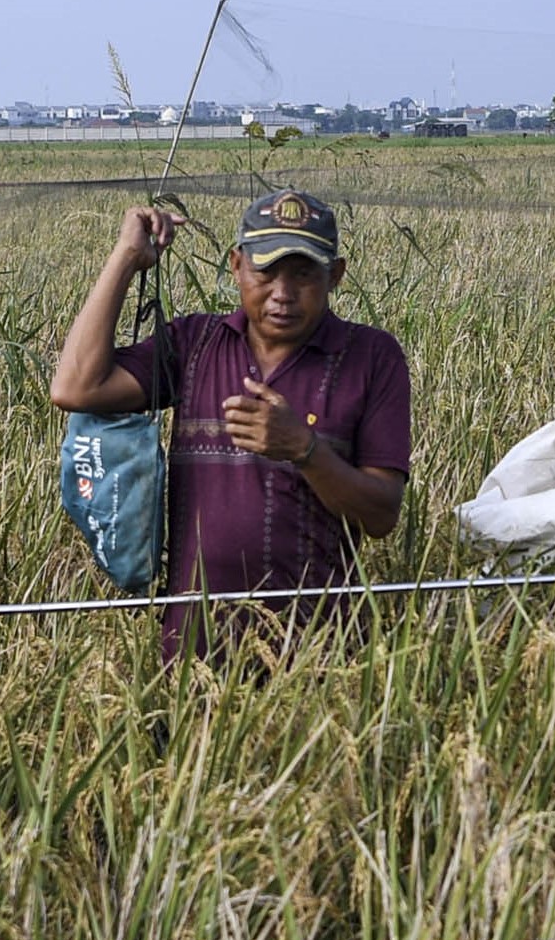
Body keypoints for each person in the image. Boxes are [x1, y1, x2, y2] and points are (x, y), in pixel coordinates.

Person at [49, 191, 411, 644]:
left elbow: (381, 515)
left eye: (303, 275)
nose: (283, 294)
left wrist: (305, 451)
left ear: (335, 276)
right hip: (194, 645)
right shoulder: (195, 344)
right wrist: (125, 258)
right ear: (237, 264)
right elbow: (75, 388)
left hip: (319, 646)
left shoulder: (371, 357)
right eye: (266, 272)